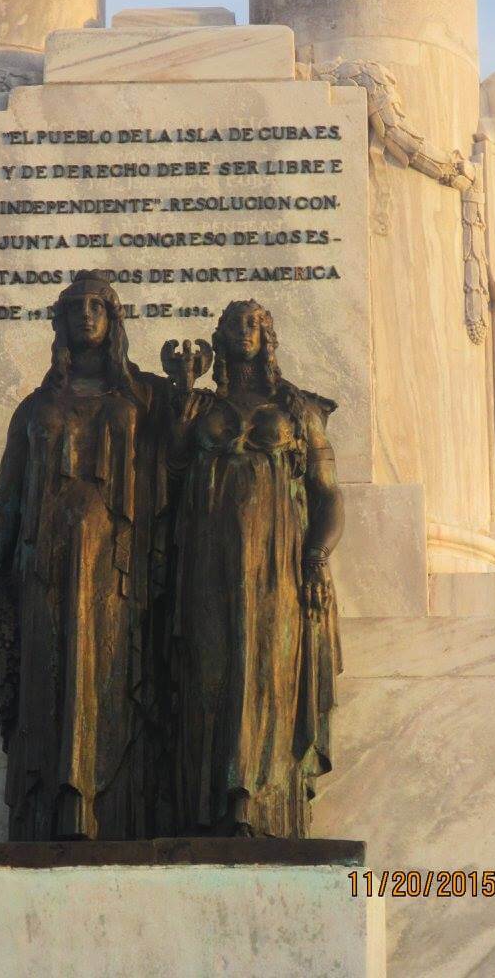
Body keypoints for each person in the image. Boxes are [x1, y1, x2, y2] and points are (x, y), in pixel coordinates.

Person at [0, 272, 170, 840]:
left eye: (96, 306)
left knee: (110, 675)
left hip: (117, 566)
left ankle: (110, 810)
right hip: (45, 565)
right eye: (76, 306)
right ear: (60, 322)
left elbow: (185, 453)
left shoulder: (143, 399)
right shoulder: (35, 408)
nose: (86, 314)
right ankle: (51, 809)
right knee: (50, 675)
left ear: (112, 320)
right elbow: (9, 497)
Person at [164, 299, 344, 838]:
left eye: (253, 324)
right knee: (210, 667)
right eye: (234, 324)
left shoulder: (298, 409)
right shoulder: (201, 407)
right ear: (219, 336)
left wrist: (316, 556)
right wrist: (181, 397)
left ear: (267, 336)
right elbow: (169, 473)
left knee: (266, 668)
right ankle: (209, 804)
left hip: (276, 559)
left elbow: (329, 495)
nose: (244, 331)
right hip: (207, 556)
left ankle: (259, 800)